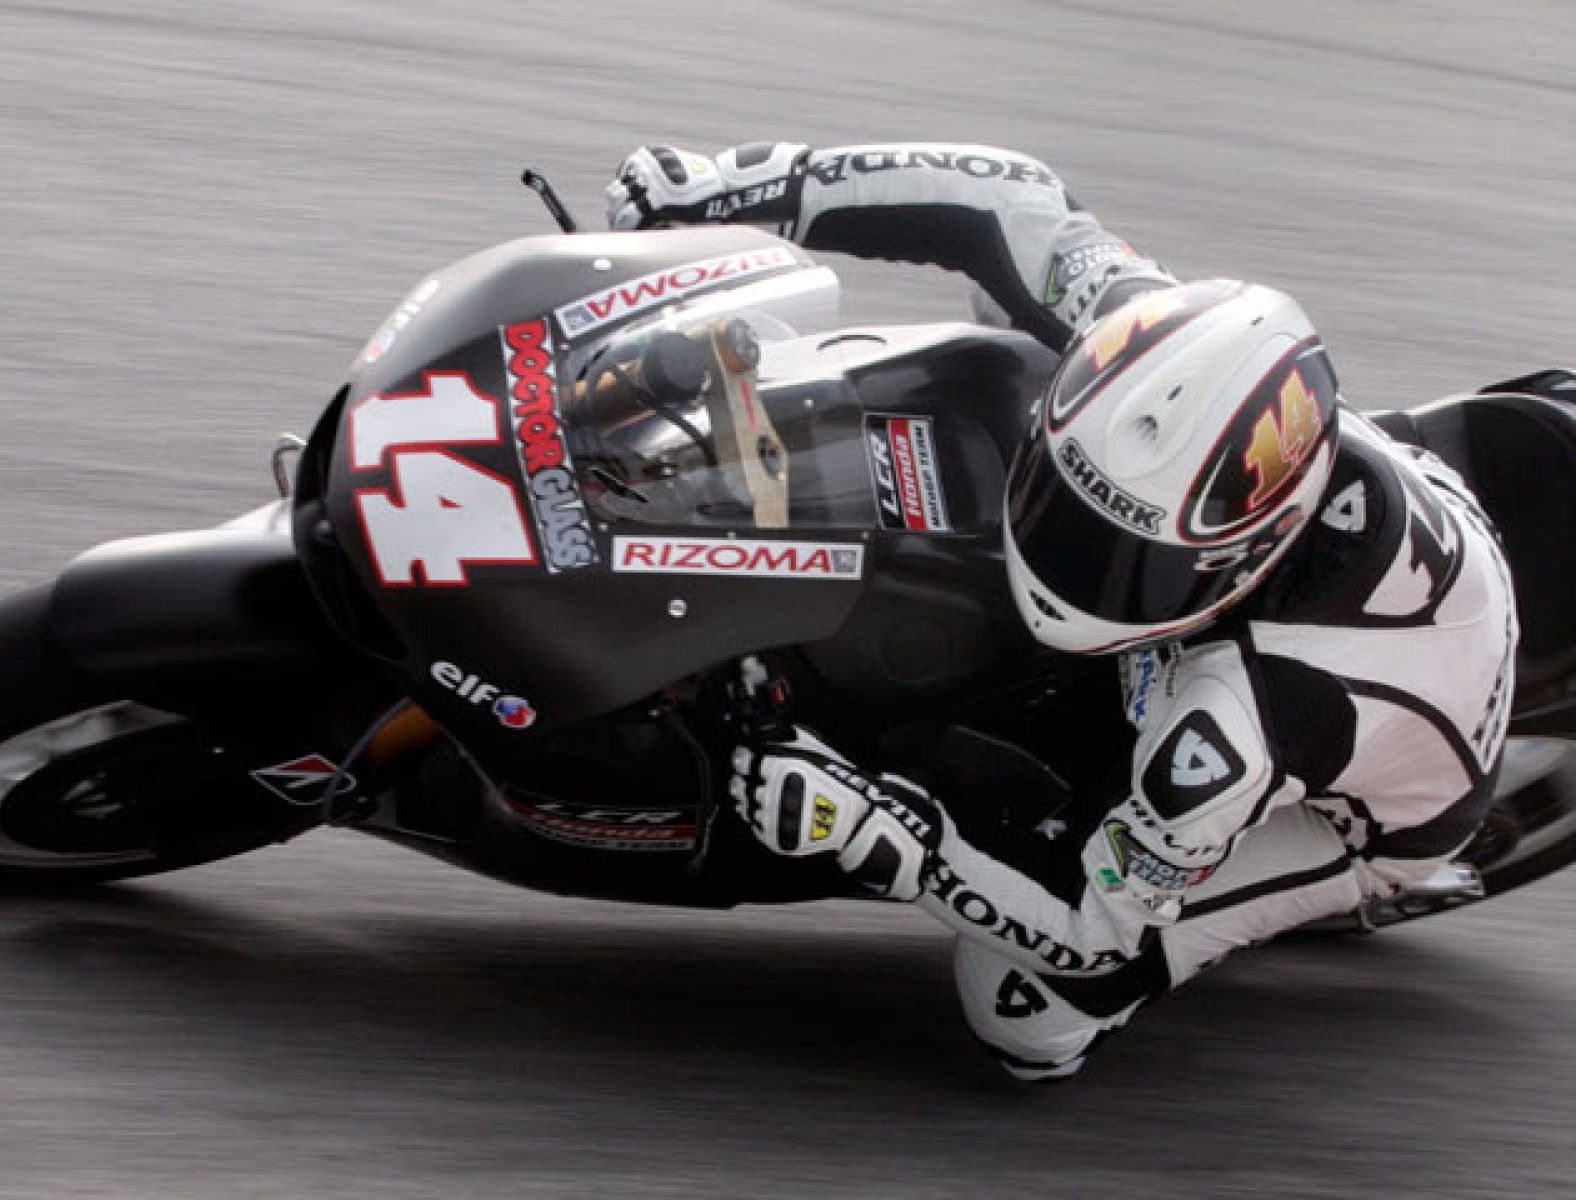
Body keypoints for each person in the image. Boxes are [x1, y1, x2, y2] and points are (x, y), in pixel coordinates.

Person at [605, 143, 1519, 1079]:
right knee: (1005, 325)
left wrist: (881, 835)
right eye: (1062, 507)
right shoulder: (1144, 337)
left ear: (1235, 560)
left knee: (1022, 1009)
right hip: (1415, 525)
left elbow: (1090, 930)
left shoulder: (1240, 727)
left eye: (1121, 563)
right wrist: (739, 187)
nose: (1061, 562)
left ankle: (1300, 895)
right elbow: (996, 198)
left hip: (1375, 801)